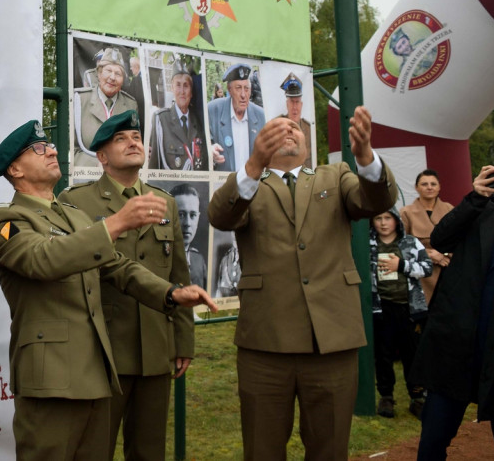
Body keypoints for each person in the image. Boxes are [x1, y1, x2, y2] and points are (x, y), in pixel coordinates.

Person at [0, 119, 216, 460]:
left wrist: (170, 294)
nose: (50, 150)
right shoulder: (7, 222)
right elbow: (42, 259)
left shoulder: (74, 217)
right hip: (52, 382)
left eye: (49, 146)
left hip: (95, 375)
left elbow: (118, 268)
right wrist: (117, 222)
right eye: (38, 149)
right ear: (15, 169)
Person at [207, 106, 397, 460]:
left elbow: (376, 200)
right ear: (261, 142)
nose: (288, 132)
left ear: (307, 142)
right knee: (262, 449)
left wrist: (366, 158)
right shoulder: (249, 185)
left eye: (294, 127)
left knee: (330, 449)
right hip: (265, 343)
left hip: (331, 341)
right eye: (277, 129)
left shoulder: (335, 175)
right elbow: (220, 215)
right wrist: (253, 165)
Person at [59, 111, 195, 460]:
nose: (133, 141)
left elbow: (178, 274)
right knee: (94, 450)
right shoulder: (76, 202)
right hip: (102, 350)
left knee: (149, 451)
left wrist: (183, 340)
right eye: (121, 139)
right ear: (101, 157)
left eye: (136, 136)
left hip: (154, 346)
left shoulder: (164, 202)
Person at [412, 167, 494, 460]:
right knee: (433, 440)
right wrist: (475, 197)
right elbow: (441, 238)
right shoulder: (483, 210)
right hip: (457, 343)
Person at [368, 209, 431, 419]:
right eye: (378, 218)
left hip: (409, 307)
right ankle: (386, 396)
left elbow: (427, 268)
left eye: (388, 218)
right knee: (383, 354)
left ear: (396, 221)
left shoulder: (410, 242)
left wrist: (401, 264)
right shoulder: (367, 245)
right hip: (381, 307)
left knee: (411, 353)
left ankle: (417, 397)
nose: (383, 223)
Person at [73, 47, 138, 168]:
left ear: (123, 80)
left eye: (118, 73)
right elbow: (71, 149)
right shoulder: (80, 100)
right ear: (99, 73)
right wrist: (99, 164)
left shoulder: (131, 105)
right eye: (108, 71)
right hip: (88, 176)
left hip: (121, 175)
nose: (112, 77)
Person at [400, 169, 454, 303]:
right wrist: (429, 254)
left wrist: (444, 254)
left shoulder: (450, 209)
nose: (429, 187)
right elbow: (400, 243)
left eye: (433, 184)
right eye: (424, 184)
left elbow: (461, 240)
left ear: (439, 187)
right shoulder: (406, 213)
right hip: (420, 273)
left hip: (448, 269)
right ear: (416, 187)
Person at [207, 63, 266, 172]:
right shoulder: (212, 110)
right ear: (229, 90)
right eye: (238, 88)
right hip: (224, 186)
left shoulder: (261, 116)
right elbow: (200, 144)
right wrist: (209, 150)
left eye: (246, 88)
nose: (243, 95)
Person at [152, 59, 206, 171]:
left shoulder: (199, 121)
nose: (182, 91)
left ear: (191, 92)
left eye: (186, 86)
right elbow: (154, 164)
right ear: (172, 88)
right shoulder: (160, 119)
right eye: (178, 85)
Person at [171, 183, 208, 288]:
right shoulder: (159, 258)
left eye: (193, 215)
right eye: (181, 215)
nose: (187, 223)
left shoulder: (198, 260)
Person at [278, 73, 312, 169]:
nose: (294, 108)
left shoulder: (308, 129)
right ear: (287, 104)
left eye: (297, 102)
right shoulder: (277, 126)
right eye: (292, 102)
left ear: (301, 105)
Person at [126, 52, 146, 129]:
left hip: (140, 115)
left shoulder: (136, 80)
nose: (130, 69)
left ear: (136, 67)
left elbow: (129, 95)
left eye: (131, 66)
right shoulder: (146, 78)